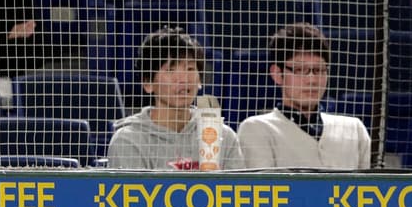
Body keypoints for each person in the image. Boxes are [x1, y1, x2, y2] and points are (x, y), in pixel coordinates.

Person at [107, 27, 245, 172]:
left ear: (200, 81)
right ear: (147, 83)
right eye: (170, 70)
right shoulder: (129, 141)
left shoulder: (224, 137)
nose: (183, 79)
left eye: (190, 69)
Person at [237, 22, 371, 170]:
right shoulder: (257, 129)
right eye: (300, 69)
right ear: (277, 73)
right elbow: (263, 190)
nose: (312, 80)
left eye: (319, 70)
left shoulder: (354, 129)